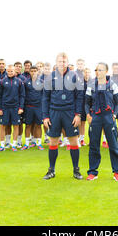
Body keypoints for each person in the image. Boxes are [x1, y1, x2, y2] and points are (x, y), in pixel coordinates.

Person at [42, 52, 84, 180]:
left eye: (64, 61)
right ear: (56, 62)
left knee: (73, 141)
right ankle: (51, 170)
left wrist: (78, 114)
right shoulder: (50, 77)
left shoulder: (74, 76)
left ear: (67, 62)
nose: (62, 63)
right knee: (53, 141)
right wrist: (45, 116)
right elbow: (45, 98)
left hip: (70, 113)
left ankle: (76, 170)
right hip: (54, 112)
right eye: (60, 61)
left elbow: (79, 97)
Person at [85, 62, 118, 181]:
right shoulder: (91, 84)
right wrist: (88, 115)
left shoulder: (112, 85)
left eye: (101, 70)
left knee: (113, 146)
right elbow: (86, 102)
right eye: (97, 70)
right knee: (94, 146)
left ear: (106, 71)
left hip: (108, 117)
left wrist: (114, 114)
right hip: (95, 118)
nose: (98, 72)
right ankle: (93, 172)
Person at [0, 65, 25, 151]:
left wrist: (21, 107)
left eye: (11, 71)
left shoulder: (19, 82)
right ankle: (2, 145)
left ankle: (14, 144)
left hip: (15, 108)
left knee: (16, 125)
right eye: (8, 71)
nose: (10, 73)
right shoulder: (2, 82)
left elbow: (22, 96)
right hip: (5, 107)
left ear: (15, 71)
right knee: (3, 126)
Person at [23, 66, 44, 150]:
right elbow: (23, 95)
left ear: (38, 72)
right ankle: (27, 143)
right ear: (29, 72)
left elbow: (44, 95)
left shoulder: (42, 82)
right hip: (28, 107)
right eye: (32, 71)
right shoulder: (25, 82)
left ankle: (39, 143)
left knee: (39, 125)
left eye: (35, 71)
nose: (33, 72)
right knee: (28, 125)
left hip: (38, 107)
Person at [78, 67, 91, 147]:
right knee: (81, 123)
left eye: (88, 72)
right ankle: (80, 139)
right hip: (81, 105)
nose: (86, 74)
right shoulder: (80, 83)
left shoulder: (92, 82)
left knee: (90, 123)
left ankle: (90, 140)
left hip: (90, 105)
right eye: (85, 72)